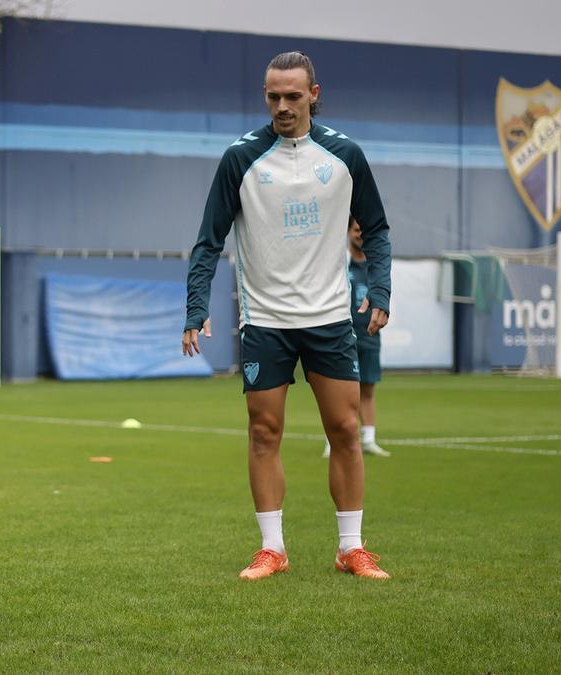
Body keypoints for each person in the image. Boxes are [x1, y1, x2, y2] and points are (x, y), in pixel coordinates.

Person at [183, 51, 392, 580]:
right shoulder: (240, 158)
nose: (282, 105)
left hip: (328, 316)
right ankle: (272, 549)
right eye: (273, 96)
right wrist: (197, 306)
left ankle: (351, 548)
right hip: (266, 320)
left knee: (345, 429)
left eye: (293, 96)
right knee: (263, 431)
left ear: (314, 95)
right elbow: (209, 241)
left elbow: (378, 228)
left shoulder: (346, 155)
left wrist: (382, 291)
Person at [323, 218, 391, 458]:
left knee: (368, 389)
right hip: (341, 338)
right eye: (355, 229)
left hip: (370, 337)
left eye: (363, 230)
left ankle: (369, 439)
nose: (359, 234)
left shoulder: (375, 267)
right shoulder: (340, 264)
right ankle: (332, 441)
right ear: (348, 232)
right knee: (337, 391)